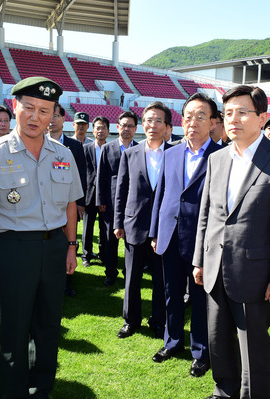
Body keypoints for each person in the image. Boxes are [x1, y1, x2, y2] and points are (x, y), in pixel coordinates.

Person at [0, 77, 82, 399]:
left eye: (44, 111)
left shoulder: (63, 154)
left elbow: (71, 203)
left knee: (47, 330)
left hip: (55, 249)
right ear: (15, 107)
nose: (35, 117)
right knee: (13, 335)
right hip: (13, 251)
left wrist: (71, 246)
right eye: (28, 108)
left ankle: (39, 392)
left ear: (54, 115)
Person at [193, 85, 270, 399]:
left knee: (252, 345)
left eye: (242, 112)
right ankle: (224, 390)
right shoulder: (217, 159)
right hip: (215, 268)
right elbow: (208, 215)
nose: (234, 119)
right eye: (228, 113)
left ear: (262, 117)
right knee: (217, 339)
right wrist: (199, 260)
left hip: (255, 274)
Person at [150, 93, 222, 377]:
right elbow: (162, 195)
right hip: (170, 234)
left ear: (213, 122)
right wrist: (155, 231)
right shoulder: (171, 153)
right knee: (171, 293)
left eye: (201, 116)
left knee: (203, 298)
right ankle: (173, 341)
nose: (193, 122)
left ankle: (201, 352)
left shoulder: (221, 156)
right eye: (189, 116)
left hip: (202, 240)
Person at [114, 103, 171, 341]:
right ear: (142, 124)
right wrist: (118, 222)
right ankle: (131, 320)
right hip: (134, 225)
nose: (152, 125)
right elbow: (121, 189)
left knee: (161, 280)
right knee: (132, 278)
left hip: (163, 228)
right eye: (148, 120)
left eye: (158, 121)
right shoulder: (131, 153)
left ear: (167, 127)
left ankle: (158, 321)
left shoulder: (175, 154)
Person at [47, 103, 87, 297]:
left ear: (64, 119)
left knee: (70, 242)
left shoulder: (74, 146)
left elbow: (81, 174)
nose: (52, 120)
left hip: (68, 205)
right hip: (46, 205)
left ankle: (67, 281)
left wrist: (80, 203)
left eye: (56, 116)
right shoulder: (37, 141)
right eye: (50, 116)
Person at [96, 111, 138, 286]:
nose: (126, 129)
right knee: (109, 240)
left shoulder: (139, 149)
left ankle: (129, 272)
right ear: (117, 127)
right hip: (111, 203)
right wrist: (100, 201)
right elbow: (101, 177)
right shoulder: (108, 148)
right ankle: (110, 272)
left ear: (135, 129)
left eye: (130, 126)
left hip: (133, 203)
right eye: (123, 125)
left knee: (131, 240)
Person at [82, 116, 109, 267]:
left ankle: (103, 254)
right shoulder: (85, 148)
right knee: (88, 226)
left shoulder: (111, 149)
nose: (100, 130)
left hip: (105, 195)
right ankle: (86, 255)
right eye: (98, 128)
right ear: (93, 131)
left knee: (104, 228)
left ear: (108, 131)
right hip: (89, 195)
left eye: (103, 127)